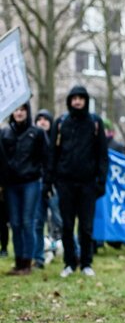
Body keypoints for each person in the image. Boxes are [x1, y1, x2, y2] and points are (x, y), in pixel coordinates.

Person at [45, 85, 109, 278]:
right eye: (74, 98)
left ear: (86, 100)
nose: (77, 101)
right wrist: (49, 181)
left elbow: (102, 155)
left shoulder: (95, 123)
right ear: (70, 101)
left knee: (86, 227)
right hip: (64, 183)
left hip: (88, 184)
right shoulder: (61, 122)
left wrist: (101, 181)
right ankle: (69, 264)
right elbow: (52, 155)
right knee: (66, 225)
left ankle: (86, 263)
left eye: (81, 98)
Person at [0, 102, 48, 275]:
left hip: (31, 182)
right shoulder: (4, 133)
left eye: (22, 110)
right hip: (11, 185)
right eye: (16, 110)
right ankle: (18, 261)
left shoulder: (37, 133)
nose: (19, 113)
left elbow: (45, 158)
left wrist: (45, 180)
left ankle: (27, 262)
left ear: (27, 112)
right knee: (15, 223)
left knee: (28, 222)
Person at [32, 109, 63, 267]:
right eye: (39, 119)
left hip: (53, 186)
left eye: (46, 119)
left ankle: (75, 252)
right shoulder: (32, 140)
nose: (42, 122)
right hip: (37, 184)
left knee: (60, 220)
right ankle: (38, 257)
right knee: (37, 222)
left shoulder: (56, 142)